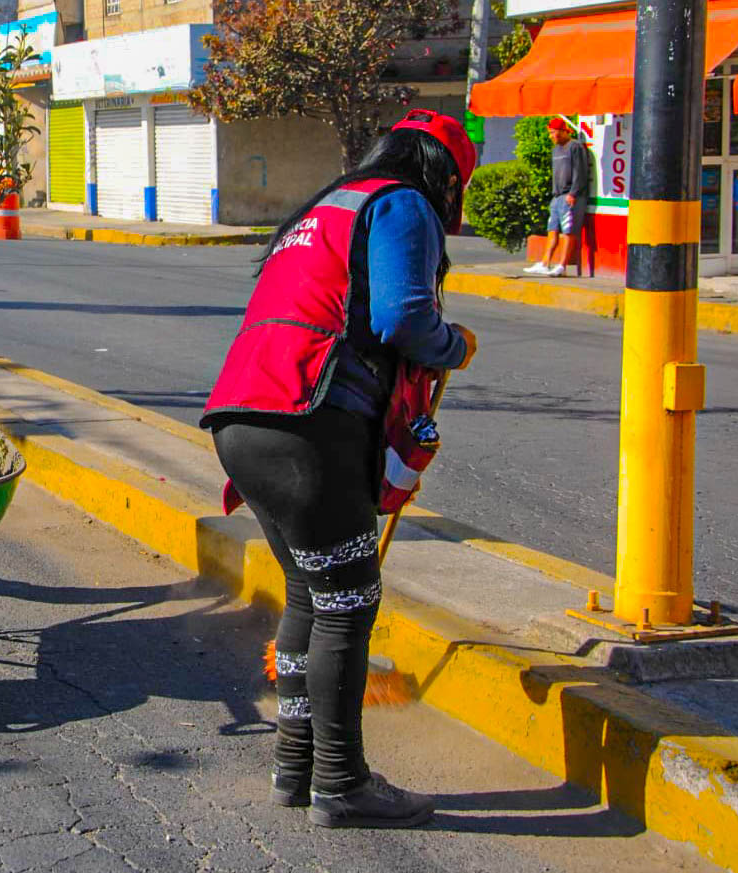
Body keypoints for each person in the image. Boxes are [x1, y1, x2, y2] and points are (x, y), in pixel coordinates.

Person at [200, 109, 479, 830]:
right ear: (444, 175)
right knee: (349, 601)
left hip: (240, 418)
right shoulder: (403, 200)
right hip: (306, 417)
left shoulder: (328, 204)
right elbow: (401, 317)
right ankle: (343, 782)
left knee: (308, 591)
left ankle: (296, 765)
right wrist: (454, 345)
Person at [526, 117, 590, 277]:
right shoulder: (556, 150)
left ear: (562, 131)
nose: (551, 136)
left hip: (571, 196)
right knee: (552, 229)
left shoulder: (575, 147)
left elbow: (580, 172)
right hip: (557, 196)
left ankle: (562, 266)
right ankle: (545, 263)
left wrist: (573, 193)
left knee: (568, 231)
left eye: (553, 133)